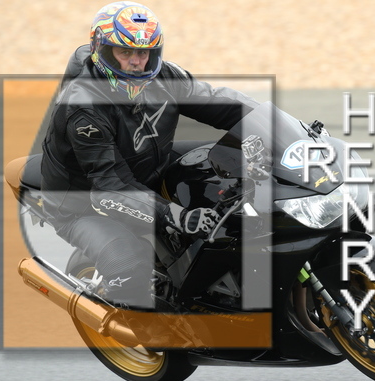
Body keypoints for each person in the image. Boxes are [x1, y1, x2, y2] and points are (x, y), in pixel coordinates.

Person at [40, 1, 259, 310]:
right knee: (131, 266)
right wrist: (177, 215)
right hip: (84, 202)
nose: (136, 62)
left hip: (146, 166)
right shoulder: (83, 109)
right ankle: (133, 322)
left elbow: (218, 102)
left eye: (144, 53)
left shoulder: (164, 76)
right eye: (125, 52)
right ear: (102, 50)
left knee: (224, 166)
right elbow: (111, 186)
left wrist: (279, 123)